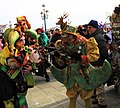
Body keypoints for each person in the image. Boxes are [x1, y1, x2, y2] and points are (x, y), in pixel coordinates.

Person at [50, 25, 100, 108]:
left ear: (70, 36)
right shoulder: (63, 44)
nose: (62, 38)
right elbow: (62, 58)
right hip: (70, 73)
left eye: (64, 35)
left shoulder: (84, 42)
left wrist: (82, 57)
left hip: (83, 73)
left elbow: (94, 55)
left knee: (86, 96)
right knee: (72, 96)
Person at [0, 17, 38, 108]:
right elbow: (15, 64)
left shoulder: (24, 50)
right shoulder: (6, 52)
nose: (24, 42)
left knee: (22, 102)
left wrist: (31, 67)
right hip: (8, 85)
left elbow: (32, 63)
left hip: (21, 84)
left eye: (24, 40)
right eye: (21, 40)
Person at [87, 20, 109, 108]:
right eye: (88, 27)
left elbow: (104, 52)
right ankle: (97, 99)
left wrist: (99, 61)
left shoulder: (98, 37)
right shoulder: (95, 36)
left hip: (97, 63)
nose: (88, 29)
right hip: (94, 62)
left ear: (95, 28)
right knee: (95, 82)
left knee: (99, 84)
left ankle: (102, 103)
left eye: (90, 27)